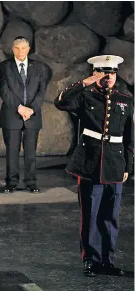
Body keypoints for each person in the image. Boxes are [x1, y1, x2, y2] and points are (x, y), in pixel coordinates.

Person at [54, 55, 133, 277]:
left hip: (116, 164)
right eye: (103, 73)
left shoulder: (125, 100)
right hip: (90, 163)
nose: (108, 77)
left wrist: (128, 166)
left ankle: (107, 261)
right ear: (96, 73)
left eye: (112, 73)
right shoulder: (85, 97)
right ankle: (90, 259)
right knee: (90, 214)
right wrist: (83, 83)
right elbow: (60, 102)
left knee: (111, 215)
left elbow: (129, 136)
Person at [0, 36, 50, 193]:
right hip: (12, 114)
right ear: (13, 49)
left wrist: (31, 109)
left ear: (28, 49)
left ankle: (31, 182)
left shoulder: (40, 67)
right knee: (12, 152)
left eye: (23, 48)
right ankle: (11, 183)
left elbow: (42, 91)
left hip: (32, 116)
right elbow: (4, 90)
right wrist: (19, 108)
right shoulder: (4, 66)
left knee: (30, 152)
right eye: (17, 48)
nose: (20, 51)